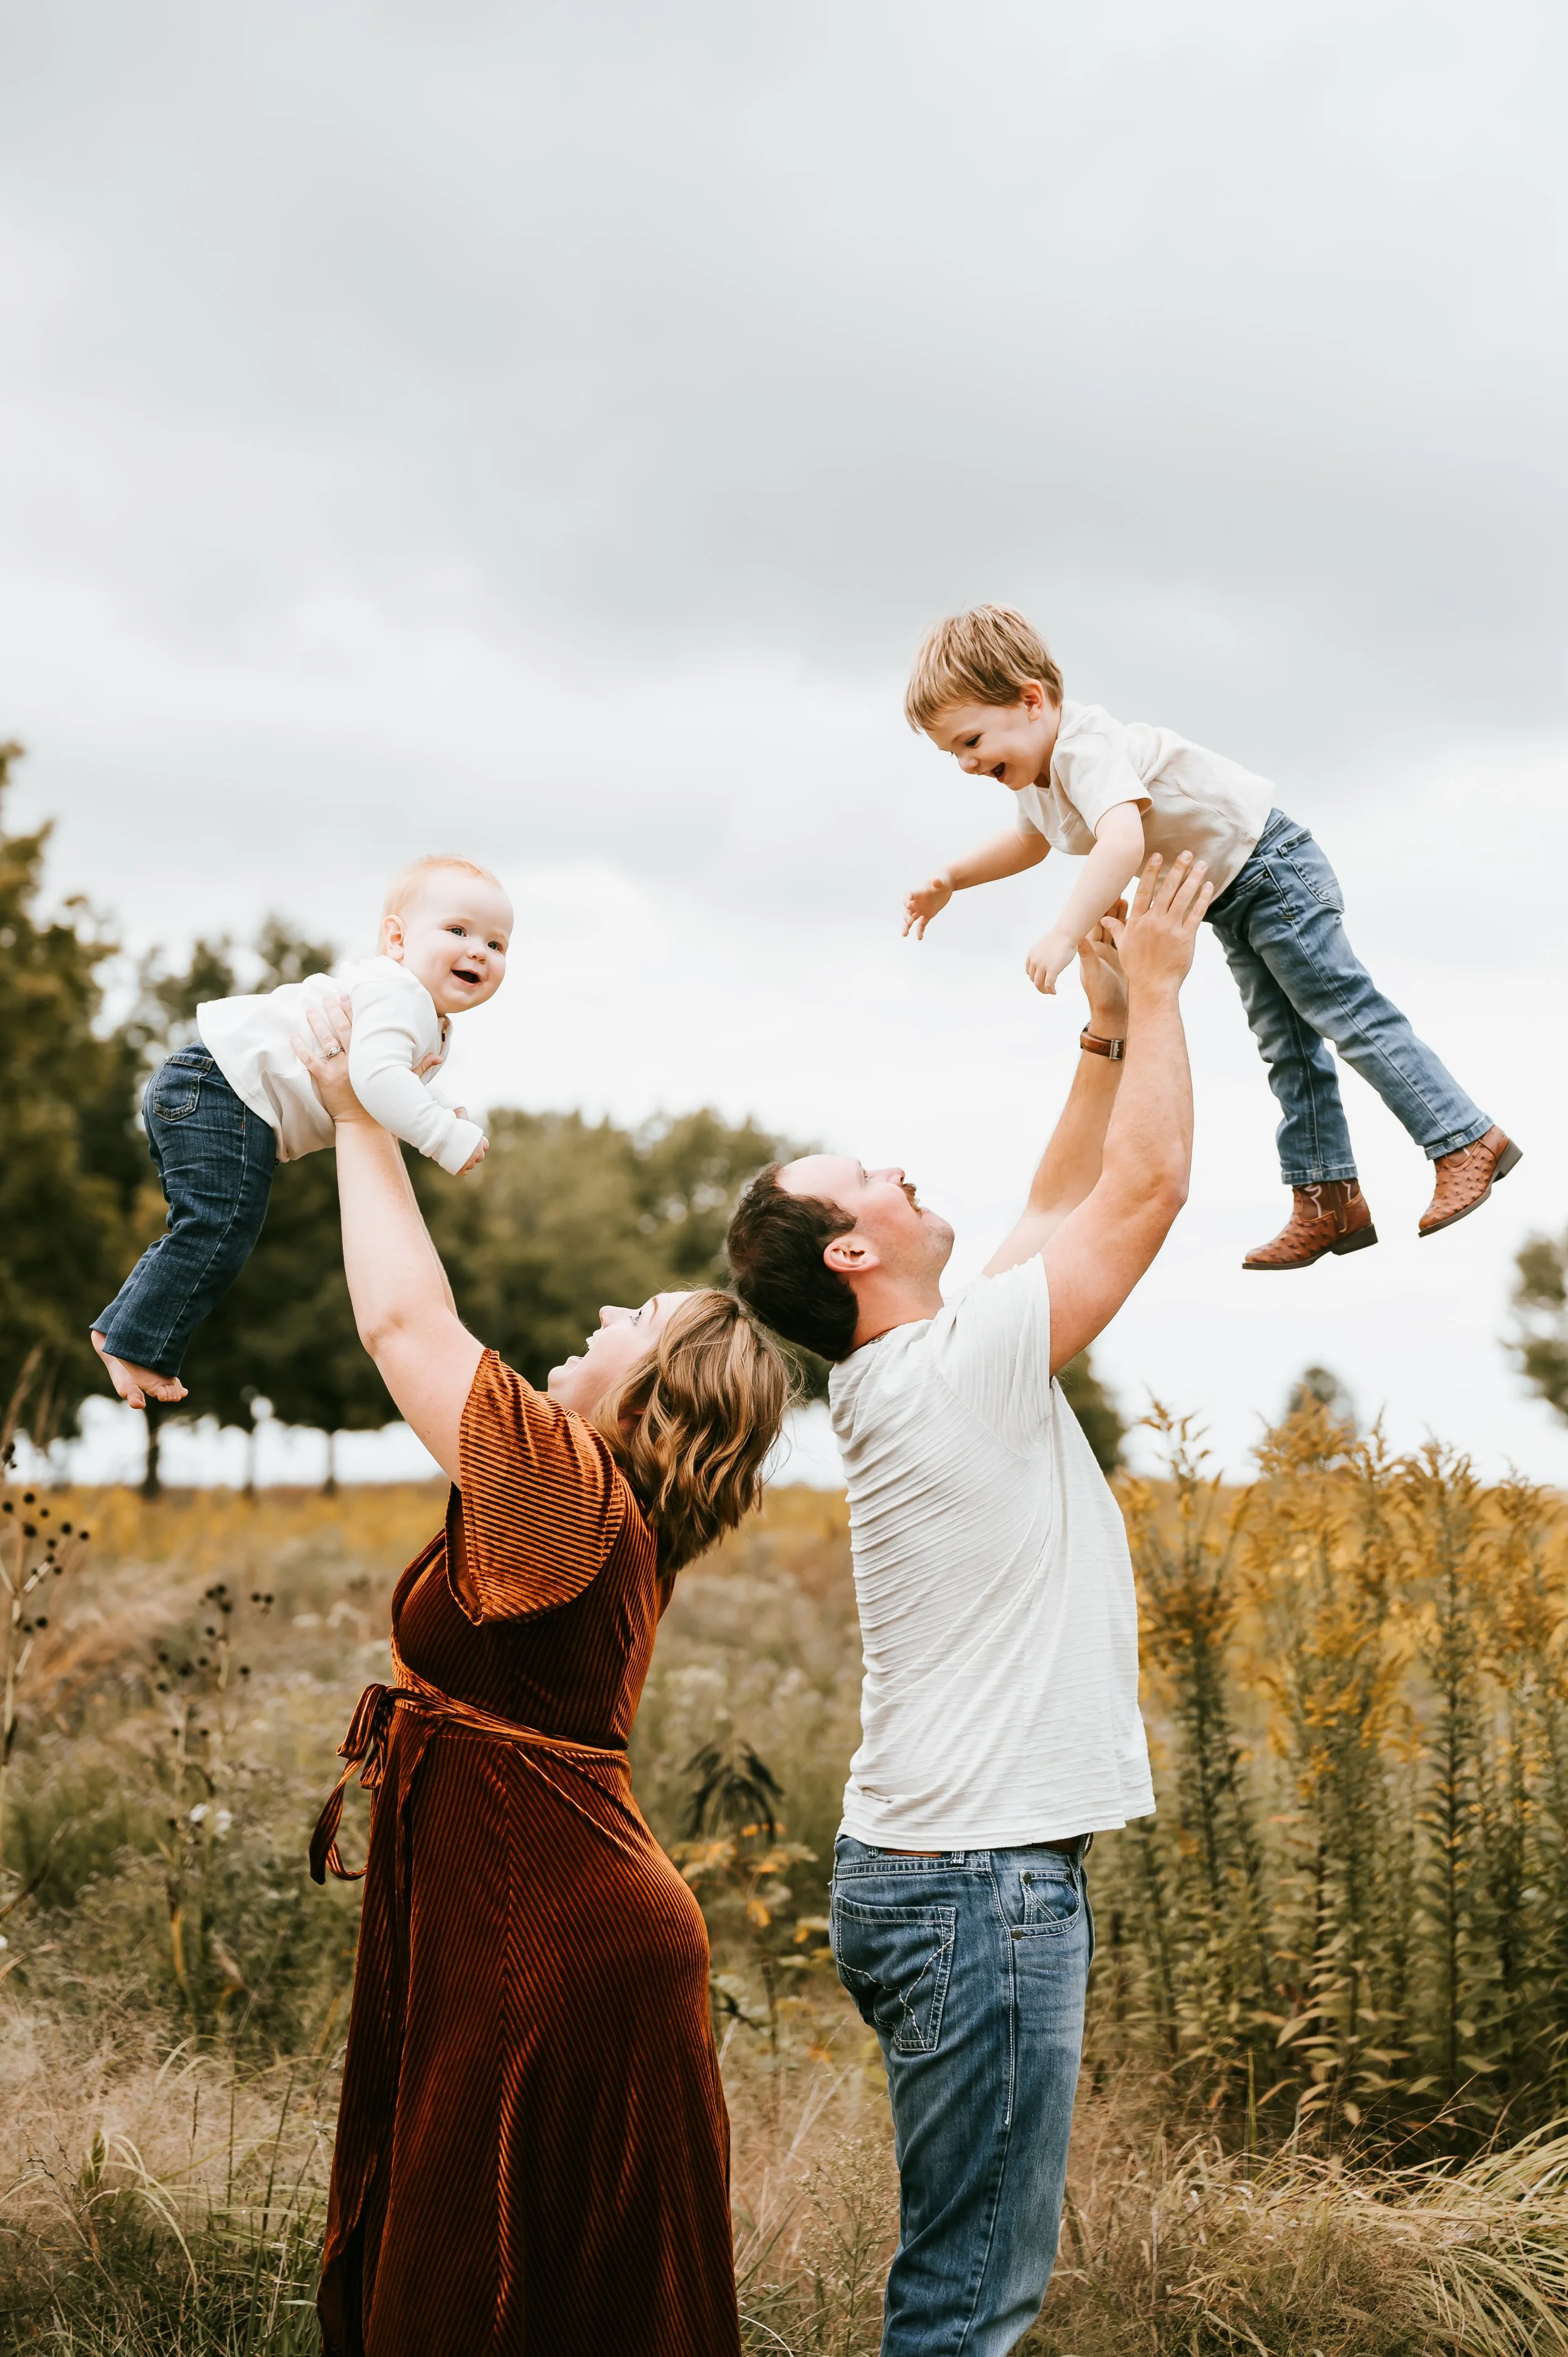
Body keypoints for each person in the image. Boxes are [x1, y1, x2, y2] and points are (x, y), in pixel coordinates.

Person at [726, 854, 1207, 2357]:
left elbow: (1059, 1189)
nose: (897, 1167)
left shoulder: (926, 1363)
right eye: (864, 1177)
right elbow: (1144, 1187)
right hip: (975, 1889)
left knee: (966, 2278)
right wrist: (1174, 986)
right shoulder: (950, 1374)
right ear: (851, 1252)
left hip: (940, 1878)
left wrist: (1106, 1029)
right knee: (968, 2303)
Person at [290, 994, 792, 2357]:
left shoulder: (570, 1486)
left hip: (552, 1941)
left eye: (634, 1314)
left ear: (654, 1393)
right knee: (557, 2292)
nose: (600, 1312)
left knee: (483, 2276)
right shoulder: (594, 1507)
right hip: (559, 1925)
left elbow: (403, 1324)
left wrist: (355, 1113)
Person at [901, 603, 1518, 1270]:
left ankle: (1463, 1138)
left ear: (1030, 701)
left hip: (1269, 868)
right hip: (1231, 896)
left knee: (1345, 1013)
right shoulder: (1040, 777)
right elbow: (1029, 840)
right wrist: (953, 878)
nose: (965, 763)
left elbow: (1121, 839)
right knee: (1286, 1045)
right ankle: (1328, 1197)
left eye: (969, 742)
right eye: (952, 754)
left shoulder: (1085, 747)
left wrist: (1064, 931)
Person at [91, 853, 507, 1411]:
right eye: (458, 930)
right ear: (398, 940)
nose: (479, 949)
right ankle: (141, 1343)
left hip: (207, 1085)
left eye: (497, 943)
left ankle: (121, 1326)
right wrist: (441, 1136)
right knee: (220, 1223)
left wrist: (443, 1106)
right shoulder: (400, 992)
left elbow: (395, 1079)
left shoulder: (419, 1011)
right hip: (222, 1089)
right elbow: (377, 1078)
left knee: (204, 1222)